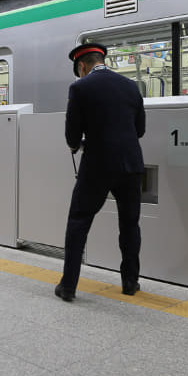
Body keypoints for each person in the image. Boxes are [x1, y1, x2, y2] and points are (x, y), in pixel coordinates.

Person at [55, 42, 146, 302]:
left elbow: (72, 134)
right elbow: (139, 130)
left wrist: (76, 145)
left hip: (97, 165)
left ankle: (68, 286)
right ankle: (130, 282)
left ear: (82, 66)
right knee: (130, 224)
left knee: (79, 221)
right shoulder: (131, 86)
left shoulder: (80, 87)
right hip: (130, 165)